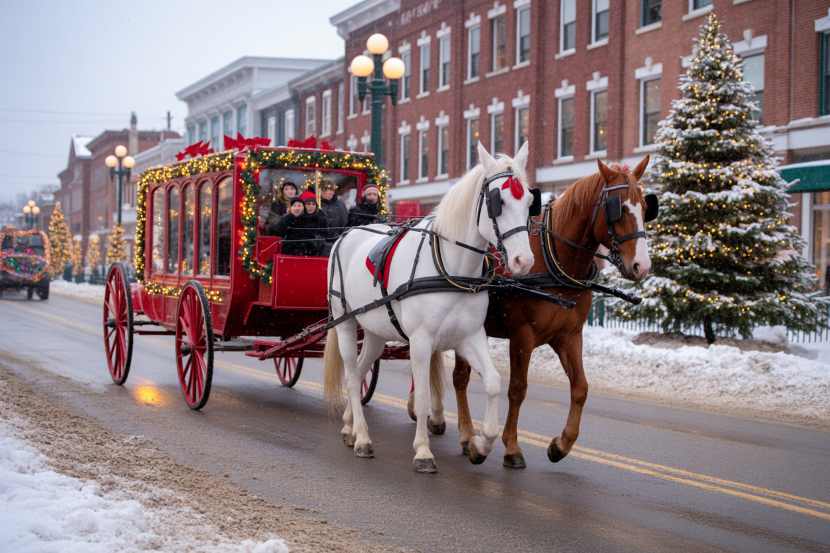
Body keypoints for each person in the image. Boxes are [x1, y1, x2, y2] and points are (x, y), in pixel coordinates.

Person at [319, 179, 348, 252]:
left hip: (337, 240)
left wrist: (340, 237)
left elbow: (344, 222)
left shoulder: (340, 205)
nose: (328, 192)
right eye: (325, 189)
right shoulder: (316, 203)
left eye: (331, 189)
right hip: (321, 242)